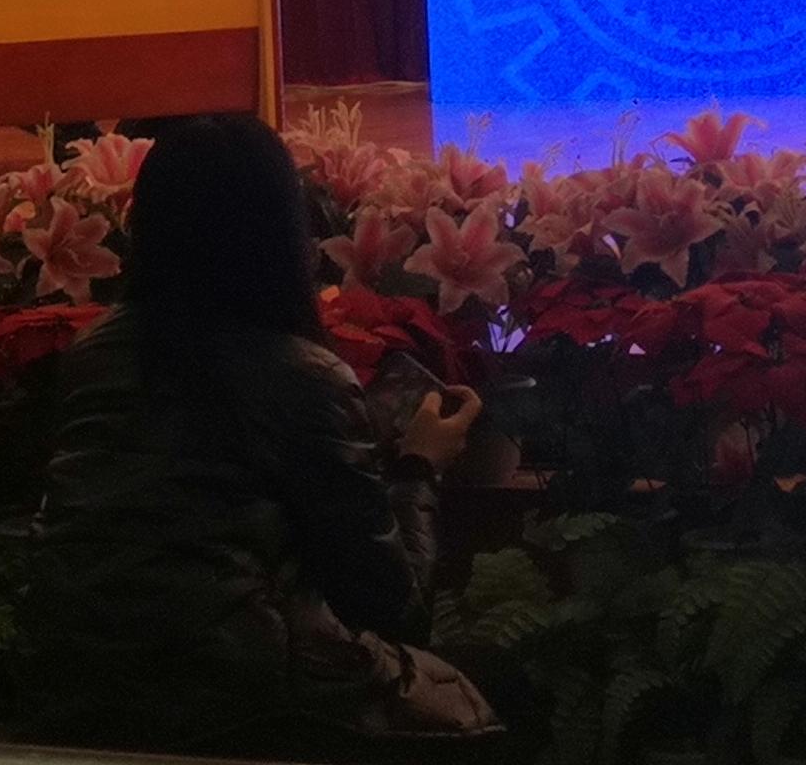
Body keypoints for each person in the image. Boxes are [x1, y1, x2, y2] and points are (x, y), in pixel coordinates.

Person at [24, 113, 496, 753]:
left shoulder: (92, 357)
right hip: (246, 700)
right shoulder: (303, 377)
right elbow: (392, 608)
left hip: (74, 683)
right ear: (283, 233)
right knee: (488, 691)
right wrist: (420, 465)